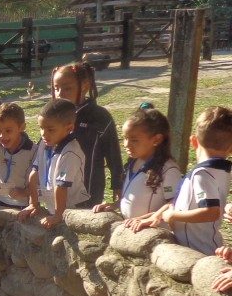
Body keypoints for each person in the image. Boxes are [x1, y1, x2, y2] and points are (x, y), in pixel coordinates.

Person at [127, 106, 232, 254]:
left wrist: (173, 216)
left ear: (193, 141)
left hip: (200, 250)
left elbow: (212, 212)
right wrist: (157, 216)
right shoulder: (221, 171)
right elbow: (179, 202)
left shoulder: (202, 174)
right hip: (195, 246)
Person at [51, 62, 123, 208]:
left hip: (89, 189)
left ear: (84, 86)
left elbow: (113, 154)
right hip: (58, 188)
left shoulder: (100, 117)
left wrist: (118, 184)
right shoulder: (52, 116)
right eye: (56, 88)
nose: (60, 93)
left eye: (67, 88)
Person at [96, 105, 181, 220]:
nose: (126, 144)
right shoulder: (133, 162)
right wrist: (114, 206)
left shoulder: (168, 170)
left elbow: (174, 203)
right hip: (130, 230)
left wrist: (147, 219)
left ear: (156, 140)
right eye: (125, 138)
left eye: (134, 140)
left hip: (153, 234)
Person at [20, 99, 88, 229]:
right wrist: (33, 203)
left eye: (50, 130)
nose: (44, 134)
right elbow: (33, 174)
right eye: (41, 128)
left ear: (69, 128)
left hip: (72, 208)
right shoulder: (44, 143)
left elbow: (61, 186)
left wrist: (58, 214)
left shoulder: (70, 152)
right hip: (52, 205)